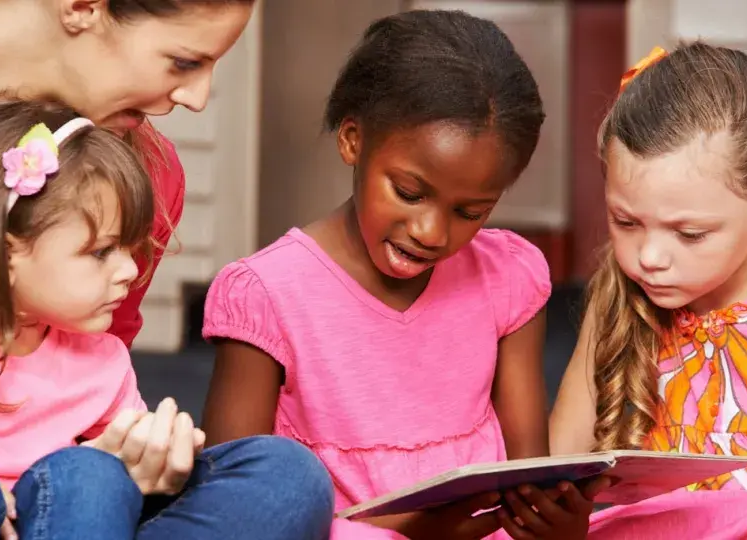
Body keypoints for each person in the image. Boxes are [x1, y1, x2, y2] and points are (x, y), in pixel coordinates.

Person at [201, 9, 603, 539]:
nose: (432, 232)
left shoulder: (508, 275)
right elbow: (235, 512)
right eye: (409, 193)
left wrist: (554, 521)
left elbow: (526, 475)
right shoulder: (267, 294)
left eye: (471, 211)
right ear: (352, 140)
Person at [0, 100, 334, 540]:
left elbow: (108, 490)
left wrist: (155, 461)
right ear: (1, 259)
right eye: (101, 251)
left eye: (131, 248)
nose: (130, 270)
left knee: (290, 474)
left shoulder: (103, 360)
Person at [549, 42, 747, 539]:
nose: (650, 257)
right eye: (626, 221)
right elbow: (558, 463)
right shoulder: (618, 296)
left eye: (689, 234)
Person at [0, 0, 254, 348]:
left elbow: (96, 365)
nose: (197, 99)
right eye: (184, 62)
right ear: (83, 8)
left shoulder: (145, 177)